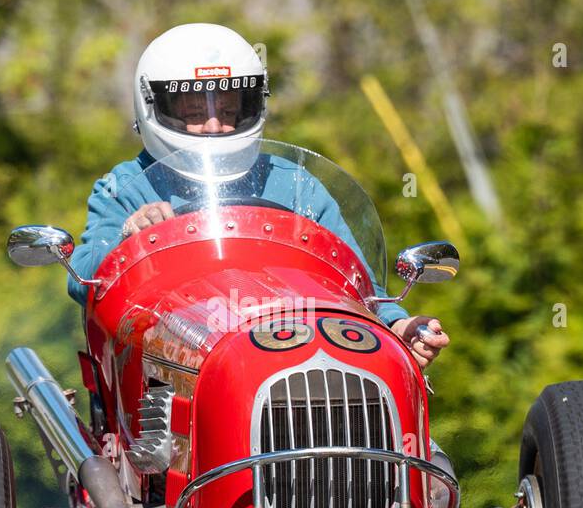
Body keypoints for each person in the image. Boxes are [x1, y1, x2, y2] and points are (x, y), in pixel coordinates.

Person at [68, 23, 449, 369]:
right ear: (154, 107)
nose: (215, 124)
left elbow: (355, 284)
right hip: (173, 364)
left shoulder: (296, 184)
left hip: (296, 353)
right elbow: (81, 279)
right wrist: (127, 239)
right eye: (194, 110)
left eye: (230, 107)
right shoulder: (125, 187)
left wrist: (399, 325)